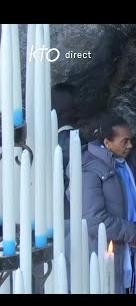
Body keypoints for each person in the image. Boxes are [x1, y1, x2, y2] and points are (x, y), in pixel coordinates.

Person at [80, 114, 136, 294]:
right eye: (125, 141)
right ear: (107, 143)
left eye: (130, 140)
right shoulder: (89, 171)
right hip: (104, 249)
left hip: (130, 247)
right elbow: (94, 220)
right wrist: (134, 232)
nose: (130, 145)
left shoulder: (127, 163)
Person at [51, 83, 78, 220]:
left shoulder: (47, 138)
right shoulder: (70, 140)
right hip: (68, 212)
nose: (78, 110)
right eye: (74, 107)